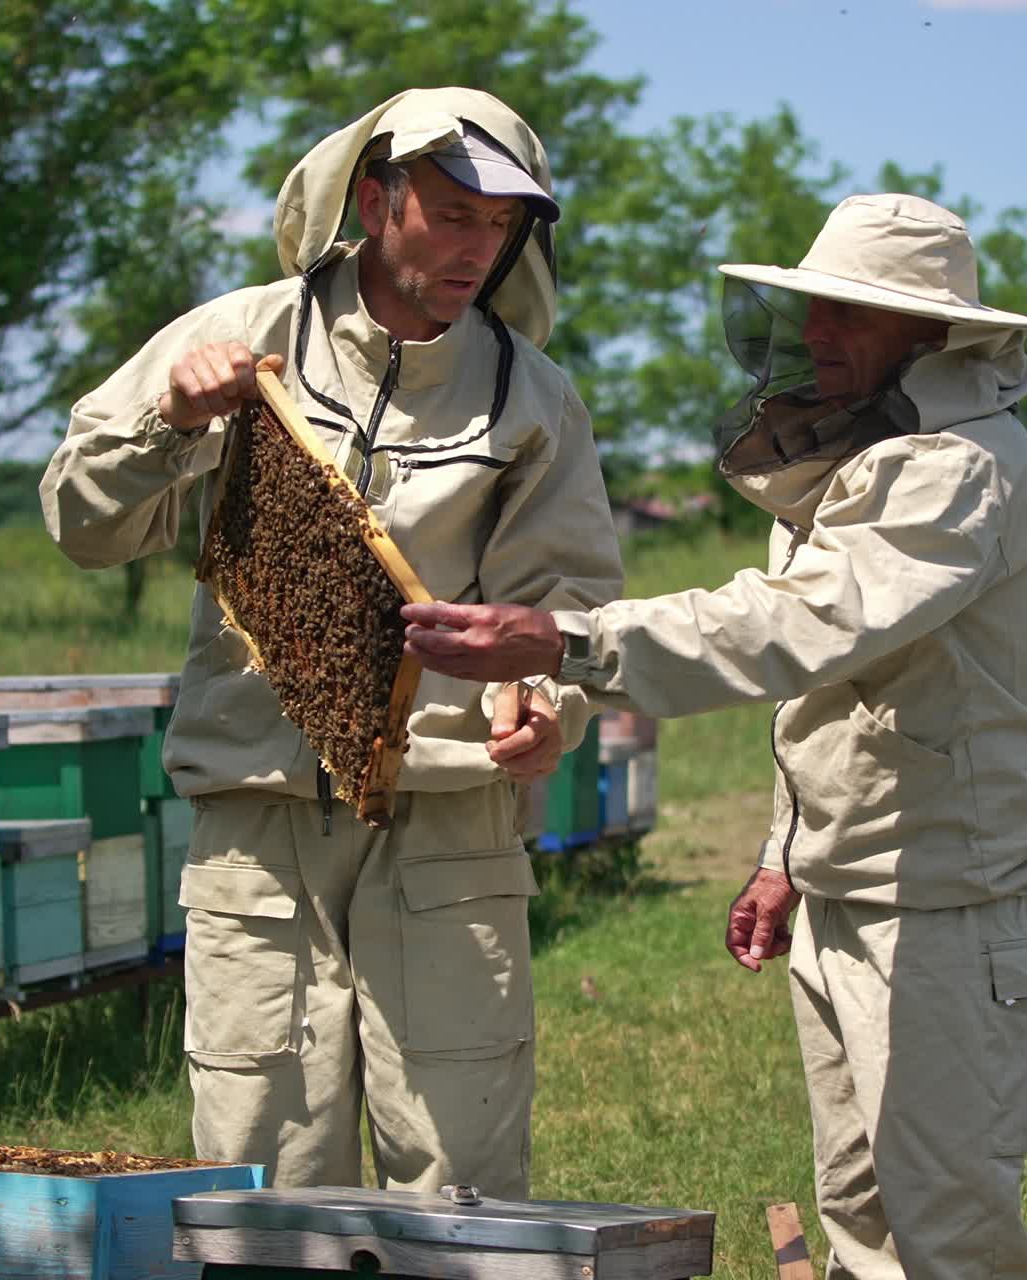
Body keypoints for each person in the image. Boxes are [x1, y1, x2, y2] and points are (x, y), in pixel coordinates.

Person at [402, 193, 1027, 1279]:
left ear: (930, 332)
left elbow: (799, 627)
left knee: (948, 1227)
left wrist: (566, 640)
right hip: (854, 883)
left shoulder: (959, 472)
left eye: (847, 315)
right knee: (857, 1208)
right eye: (810, 307)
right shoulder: (867, 456)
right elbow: (836, 696)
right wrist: (781, 854)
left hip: (946, 902)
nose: (814, 333)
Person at [40, 87, 623, 1196]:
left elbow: (570, 603)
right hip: (258, 814)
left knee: (461, 1174)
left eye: (498, 228)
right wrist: (172, 421)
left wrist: (545, 708)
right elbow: (78, 521)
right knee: (265, 1173)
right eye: (452, 214)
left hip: (446, 816)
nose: (475, 249)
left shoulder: (534, 399)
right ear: (374, 196)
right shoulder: (238, 337)